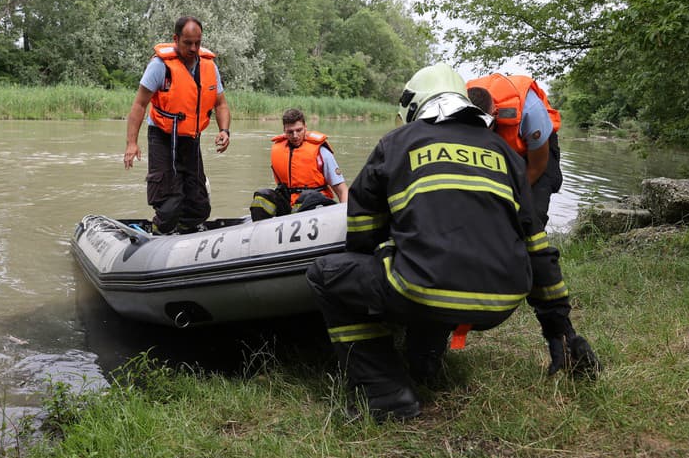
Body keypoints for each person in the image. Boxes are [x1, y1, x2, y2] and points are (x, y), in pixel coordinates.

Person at [306, 63, 599, 423]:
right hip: (502, 301)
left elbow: (363, 233)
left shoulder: (395, 145)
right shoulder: (506, 154)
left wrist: (389, 257)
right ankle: (425, 360)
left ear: (416, 106)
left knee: (330, 274)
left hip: (424, 288)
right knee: (430, 273)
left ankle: (384, 392)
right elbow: (537, 247)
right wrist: (559, 329)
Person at [124, 16, 231, 235]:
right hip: (162, 135)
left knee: (200, 206)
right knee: (170, 203)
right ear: (176, 39)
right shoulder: (159, 66)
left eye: (197, 43)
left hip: (191, 137)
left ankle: (184, 233)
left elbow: (221, 104)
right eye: (188, 43)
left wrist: (224, 130)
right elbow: (139, 104)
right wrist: (131, 143)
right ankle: (159, 230)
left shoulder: (209, 66)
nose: (193, 48)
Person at [467, 73, 563, 227]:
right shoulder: (454, 106)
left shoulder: (530, 112)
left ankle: (531, 246)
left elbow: (536, 167)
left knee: (531, 211)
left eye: (483, 128)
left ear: (494, 114)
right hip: (500, 145)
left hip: (534, 153)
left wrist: (510, 196)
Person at [249, 108, 348, 220]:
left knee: (306, 197)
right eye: (290, 132)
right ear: (284, 130)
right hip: (290, 204)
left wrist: (345, 216)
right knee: (262, 196)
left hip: (316, 205)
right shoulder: (278, 149)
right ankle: (261, 231)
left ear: (305, 127)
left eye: (299, 130)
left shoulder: (321, 152)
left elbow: (342, 190)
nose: (295, 135)